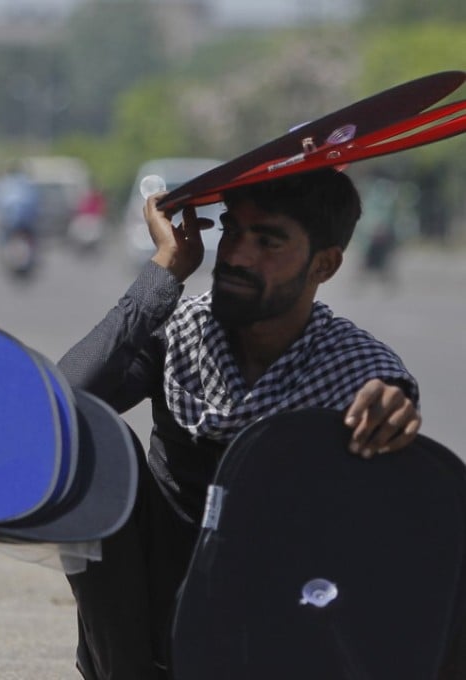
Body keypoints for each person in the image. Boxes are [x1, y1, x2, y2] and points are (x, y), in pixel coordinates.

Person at [55, 168, 423, 679]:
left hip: (271, 634)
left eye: (267, 241)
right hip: (147, 635)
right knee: (92, 447)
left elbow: (387, 402)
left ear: (326, 264)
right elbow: (55, 406)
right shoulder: (181, 332)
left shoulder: (357, 370)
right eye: (231, 231)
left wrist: (392, 407)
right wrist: (164, 271)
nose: (235, 256)